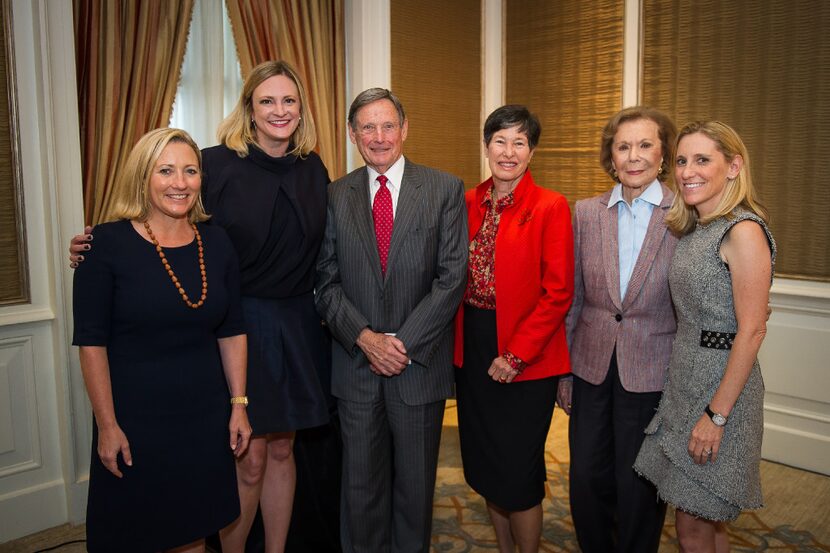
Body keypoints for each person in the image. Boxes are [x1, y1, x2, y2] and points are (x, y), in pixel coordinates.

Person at [70, 61, 337, 553]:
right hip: (237, 322)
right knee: (248, 457)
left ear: (301, 110)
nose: (279, 110)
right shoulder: (214, 163)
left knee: (282, 449)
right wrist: (92, 246)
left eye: (289, 101)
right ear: (249, 110)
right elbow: (164, 217)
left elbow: (330, 248)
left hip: (298, 323)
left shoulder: (314, 167)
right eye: (267, 101)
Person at [73, 128, 251, 553]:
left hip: (203, 419)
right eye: (166, 170)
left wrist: (239, 405)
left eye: (190, 171)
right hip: (136, 421)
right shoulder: (103, 245)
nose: (180, 182)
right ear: (143, 176)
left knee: (194, 532)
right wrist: (107, 425)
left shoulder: (217, 242)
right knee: (135, 534)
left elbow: (232, 329)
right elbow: (91, 343)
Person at [314, 87, 467, 553]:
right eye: (367, 127)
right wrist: (365, 339)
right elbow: (325, 280)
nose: (379, 137)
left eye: (387, 125)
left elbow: (452, 276)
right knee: (360, 493)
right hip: (356, 366)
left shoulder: (443, 188)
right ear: (352, 134)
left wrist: (400, 344)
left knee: (414, 494)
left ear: (405, 129)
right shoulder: (335, 194)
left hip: (417, 367)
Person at [634, 121, 775, 552]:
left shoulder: (743, 231)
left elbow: (750, 331)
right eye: (681, 160)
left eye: (702, 160)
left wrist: (716, 416)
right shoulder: (696, 227)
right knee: (705, 518)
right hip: (687, 379)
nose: (687, 171)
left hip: (721, 388)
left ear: (733, 167)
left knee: (693, 520)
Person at [452, 105, 574, 553]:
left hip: (528, 355)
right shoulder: (463, 201)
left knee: (519, 473)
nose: (508, 151)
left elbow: (558, 292)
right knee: (486, 467)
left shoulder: (550, 206)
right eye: (500, 140)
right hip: (474, 346)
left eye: (519, 142)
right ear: (486, 146)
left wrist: (516, 354)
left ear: (532, 151)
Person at [557, 106, 678, 553]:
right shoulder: (587, 212)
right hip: (590, 365)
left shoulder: (684, 215)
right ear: (610, 156)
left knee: (640, 482)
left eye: (645, 145)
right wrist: (564, 372)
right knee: (587, 476)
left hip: (652, 370)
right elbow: (573, 296)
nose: (634, 156)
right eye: (623, 146)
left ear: (663, 153)